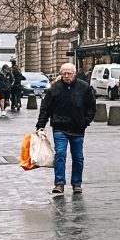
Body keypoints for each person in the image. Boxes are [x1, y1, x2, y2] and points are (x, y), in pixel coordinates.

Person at [35, 59, 97, 197]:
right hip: (60, 127)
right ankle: (59, 184)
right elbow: (45, 109)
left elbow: (92, 107)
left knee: (78, 157)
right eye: (64, 74)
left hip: (77, 128)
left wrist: (85, 121)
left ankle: (76, 184)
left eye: (69, 73)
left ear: (74, 74)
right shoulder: (54, 89)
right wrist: (40, 126)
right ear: (61, 74)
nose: (67, 76)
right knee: (60, 155)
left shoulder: (84, 87)